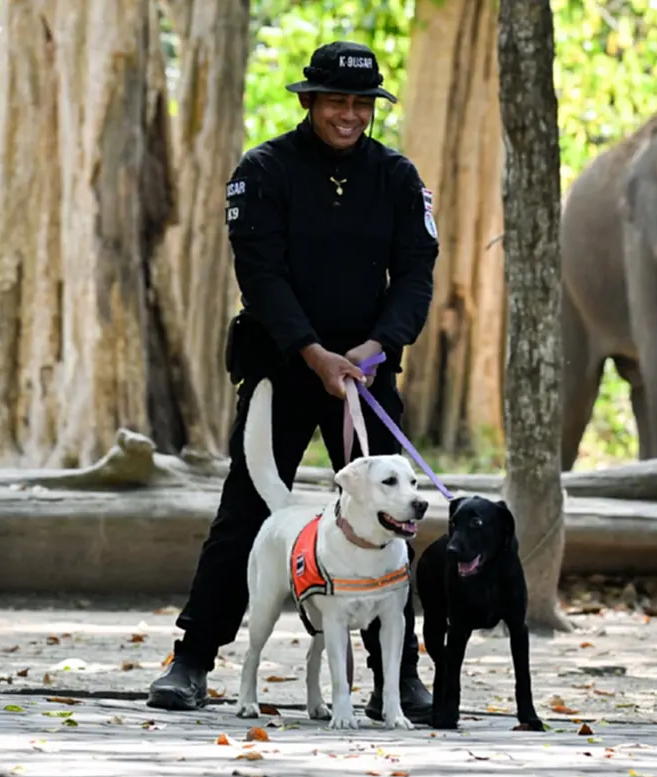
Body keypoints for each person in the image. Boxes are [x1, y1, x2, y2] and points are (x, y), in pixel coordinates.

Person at [146, 41, 439, 724]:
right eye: (336, 100)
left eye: (361, 103)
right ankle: (190, 659)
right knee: (249, 511)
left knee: (389, 517)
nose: (349, 114)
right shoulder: (265, 171)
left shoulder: (396, 177)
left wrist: (373, 347)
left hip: (363, 379)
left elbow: (417, 274)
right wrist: (313, 353)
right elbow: (262, 276)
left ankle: (399, 676)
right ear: (309, 101)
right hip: (285, 364)